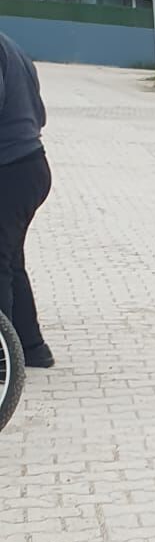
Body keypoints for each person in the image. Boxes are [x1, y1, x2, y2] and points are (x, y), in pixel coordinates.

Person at [0, 27, 54, 369]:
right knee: (10, 260)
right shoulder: (13, 47)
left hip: (10, 171)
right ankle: (31, 348)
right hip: (33, 166)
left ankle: (3, 360)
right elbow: (41, 115)